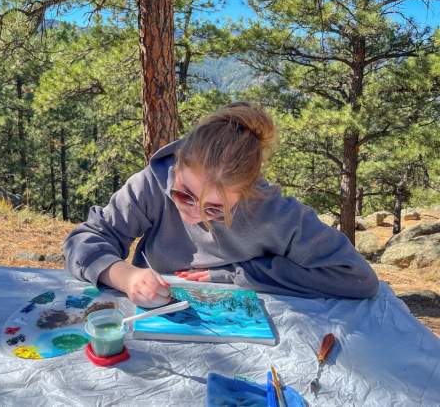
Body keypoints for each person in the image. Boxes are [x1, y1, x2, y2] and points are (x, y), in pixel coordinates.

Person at [63, 102, 379, 307]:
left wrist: (242, 274)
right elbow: (84, 240)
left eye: (214, 209)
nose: (192, 213)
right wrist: (125, 276)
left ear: (246, 193)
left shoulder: (275, 212)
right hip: (153, 316)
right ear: (178, 163)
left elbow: (357, 278)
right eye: (184, 194)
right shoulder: (154, 182)